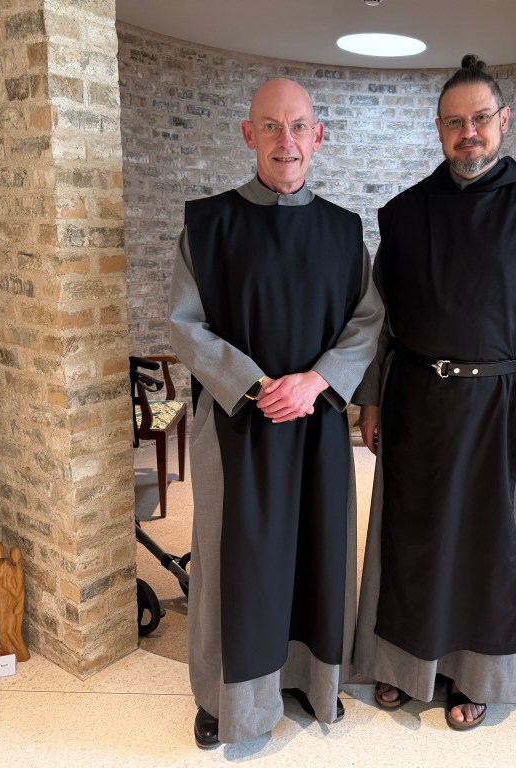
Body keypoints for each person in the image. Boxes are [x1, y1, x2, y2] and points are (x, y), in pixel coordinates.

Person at [353, 54, 516, 731]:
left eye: (480, 118)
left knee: (486, 552)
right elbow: (380, 319)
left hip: (502, 410)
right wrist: (371, 399)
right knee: (412, 541)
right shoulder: (405, 215)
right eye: (454, 122)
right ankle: (403, 667)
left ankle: (476, 676)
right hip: (416, 404)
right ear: (439, 129)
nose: (468, 132)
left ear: (504, 121)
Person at [168, 77, 383, 749]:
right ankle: (224, 698)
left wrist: (317, 380)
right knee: (235, 563)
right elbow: (185, 326)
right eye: (270, 126)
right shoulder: (208, 226)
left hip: (317, 423)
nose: (284, 140)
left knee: (318, 553)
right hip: (238, 423)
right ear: (248, 134)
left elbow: (367, 323)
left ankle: (312, 681)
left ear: (317, 137)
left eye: (297, 127)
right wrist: (258, 386)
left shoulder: (344, 232)